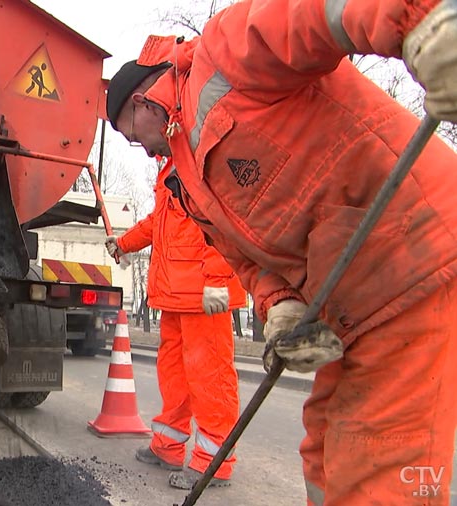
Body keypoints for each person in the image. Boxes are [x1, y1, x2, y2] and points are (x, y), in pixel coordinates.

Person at [105, 0, 457, 503]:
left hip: (410, 255)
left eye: (128, 136)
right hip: (351, 302)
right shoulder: (186, 178)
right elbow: (244, 255)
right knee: (323, 455)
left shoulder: (220, 55)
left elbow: (315, 12)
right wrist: (279, 305)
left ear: (141, 101)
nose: (139, 149)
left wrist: (420, 21)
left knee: (378, 467)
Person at [105, 100, 247, 488]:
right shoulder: (172, 167)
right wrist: (125, 244)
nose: (141, 144)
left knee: (210, 378)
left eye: (136, 133)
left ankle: (212, 463)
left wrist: (218, 279)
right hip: (174, 294)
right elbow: (160, 222)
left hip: (203, 294)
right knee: (176, 375)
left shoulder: (202, 158)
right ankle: (168, 445)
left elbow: (224, 217)